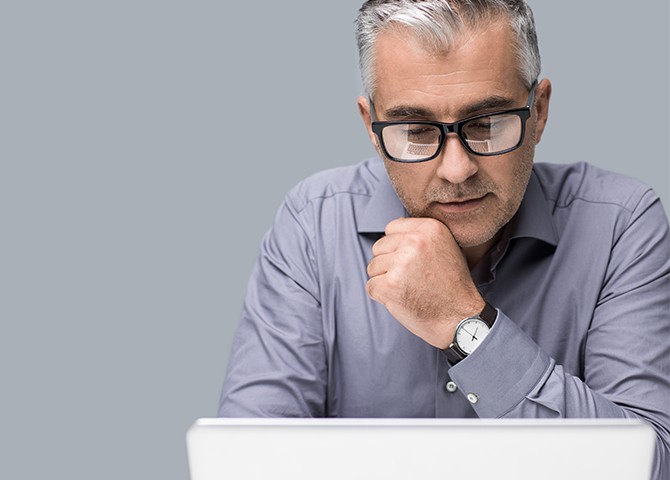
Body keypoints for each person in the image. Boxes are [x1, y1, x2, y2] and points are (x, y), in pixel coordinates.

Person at [218, 0, 670, 476]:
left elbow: (650, 464)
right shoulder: (313, 226)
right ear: (371, 128)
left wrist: (465, 325)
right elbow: (245, 464)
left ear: (538, 112)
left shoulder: (620, 224)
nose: (456, 170)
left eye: (488, 124)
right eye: (415, 129)